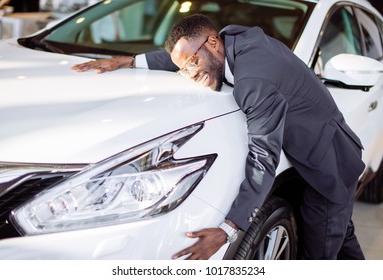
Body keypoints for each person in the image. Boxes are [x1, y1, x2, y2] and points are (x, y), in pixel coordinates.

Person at [72, 14, 366, 260]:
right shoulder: (232, 40)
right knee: (342, 237)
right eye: (183, 67)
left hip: (329, 169)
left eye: (191, 65)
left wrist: (228, 229)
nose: (188, 73)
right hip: (316, 153)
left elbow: (263, 159)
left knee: (319, 255)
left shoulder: (255, 82)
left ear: (213, 43)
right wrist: (130, 62)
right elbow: (183, 55)